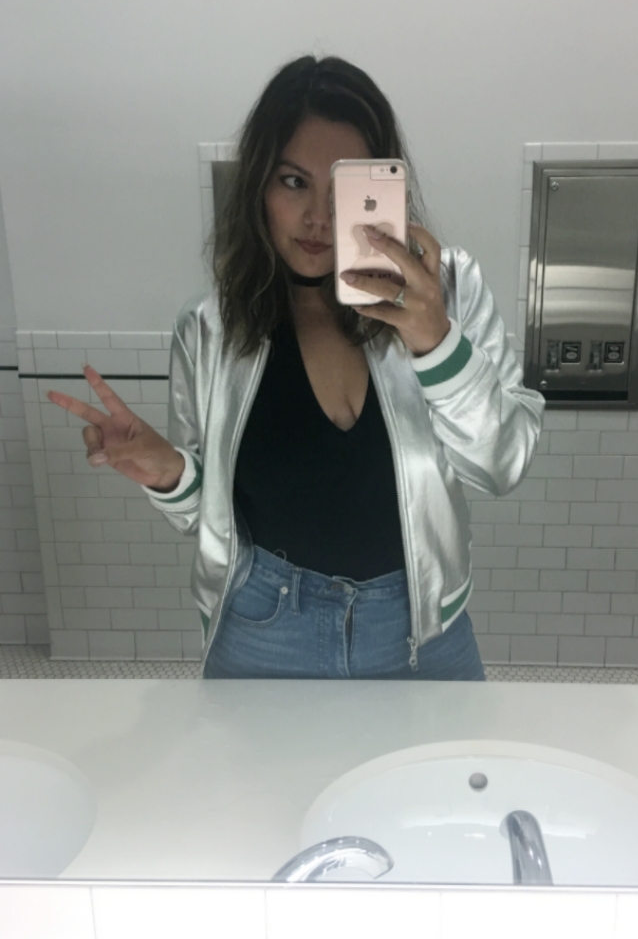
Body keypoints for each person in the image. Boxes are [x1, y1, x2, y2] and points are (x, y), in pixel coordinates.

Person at [47, 55, 544, 681]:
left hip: (422, 632)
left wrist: (435, 343)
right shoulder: (211, 328)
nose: (318, 218)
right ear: (259, 185)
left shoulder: (446, 292)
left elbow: (501, 466)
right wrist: (168, 472)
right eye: (293, 182)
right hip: (263, 628)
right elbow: (206, 515)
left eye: (343, 190)